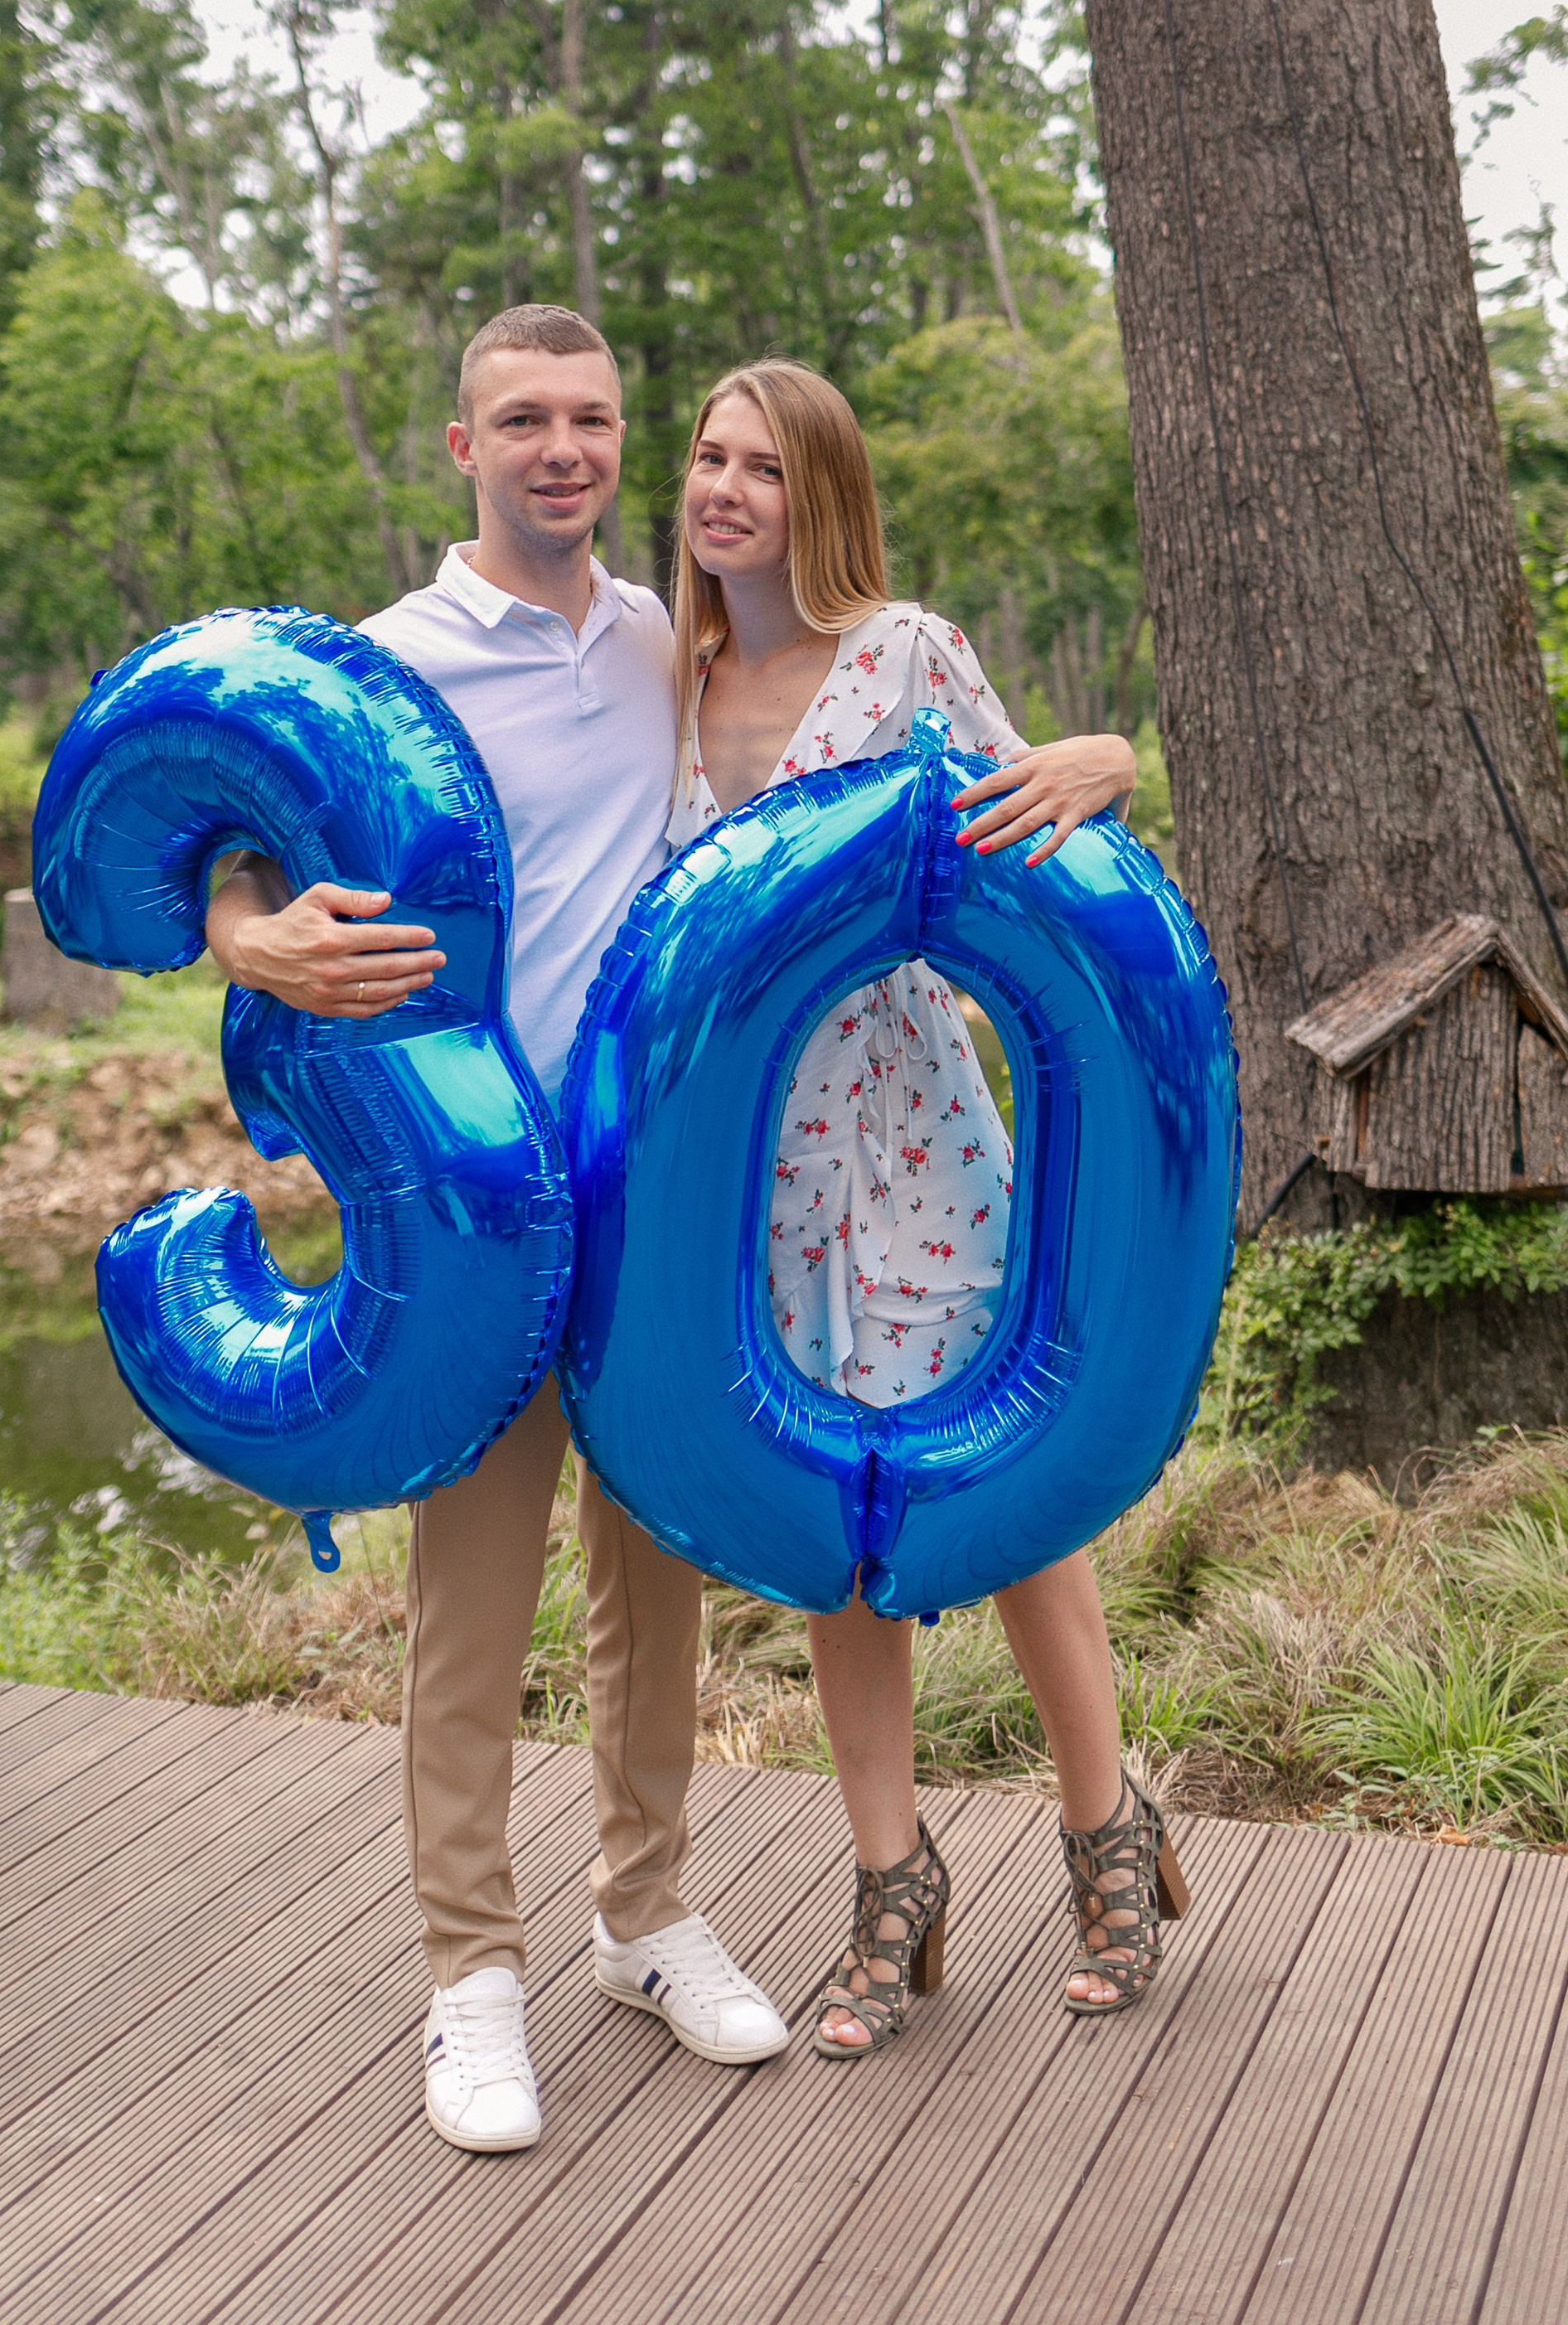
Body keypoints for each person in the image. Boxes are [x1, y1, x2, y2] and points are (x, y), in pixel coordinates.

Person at [205, 305, 788, 2159]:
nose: (563, 448)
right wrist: (249, 936)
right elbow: (227, 848)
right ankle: (470, 1976)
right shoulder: (377, 666)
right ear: (461, 448)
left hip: (647, 1199)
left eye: (592, 420)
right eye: (521, 420)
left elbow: (853, 713)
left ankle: (644, 1914)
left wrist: (1080, 757)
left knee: (658, 1578)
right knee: (469, 1606)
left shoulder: (666, 644)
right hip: (464, 1214)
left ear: (622, 446)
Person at [668, 356, 1188, 2056]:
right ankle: (889, 1882)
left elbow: (1043, 803)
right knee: (836, 1540)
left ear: (818, 495)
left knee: (1018, 1500)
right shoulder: (666, 686)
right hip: (759, 1184)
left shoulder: (900, 654)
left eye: (762, 464)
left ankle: (1107, 1833)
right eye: (706, 455)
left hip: (916, 1150)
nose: (723, 487)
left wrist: (1106, 754)